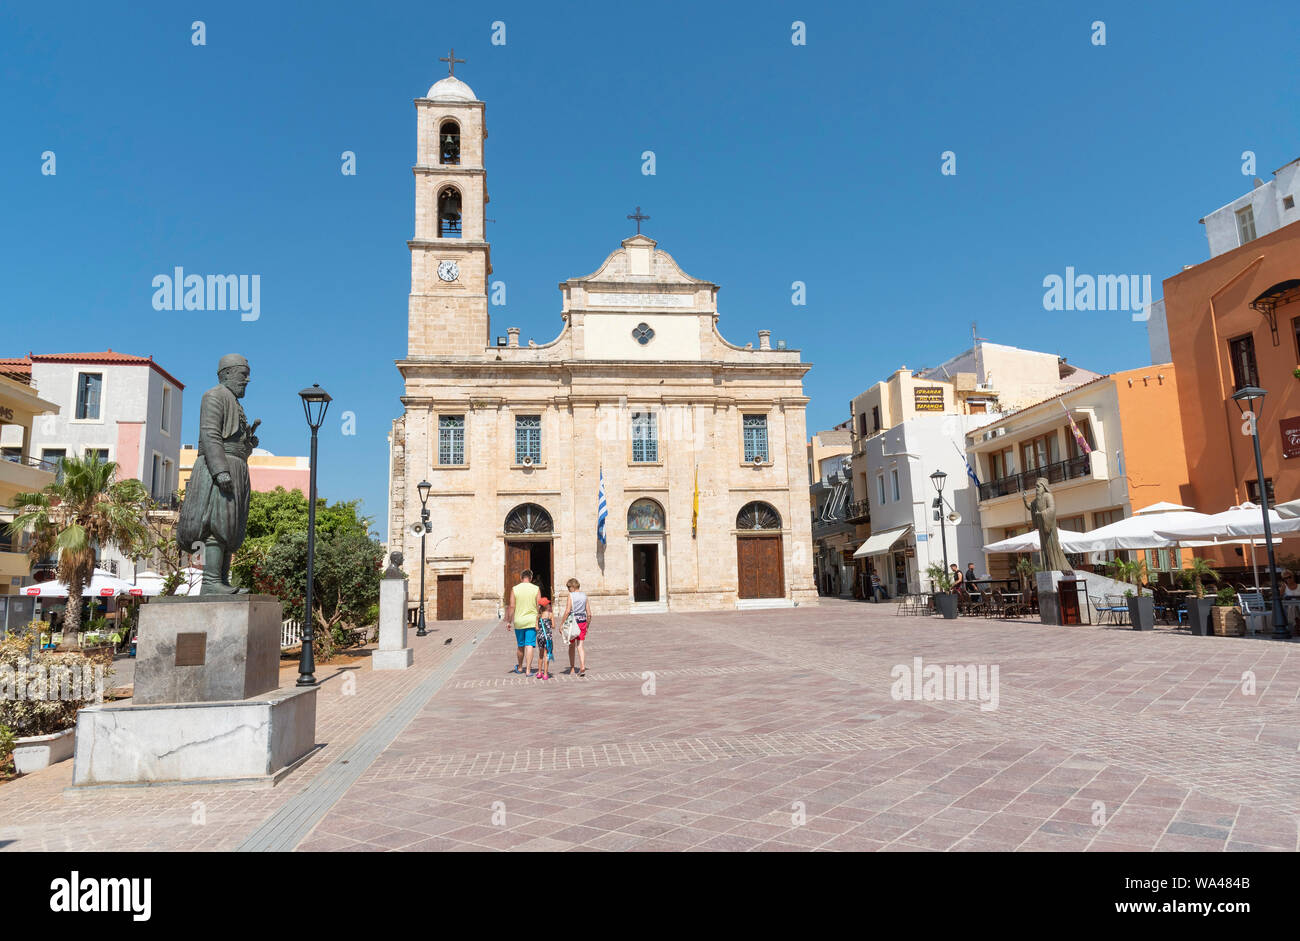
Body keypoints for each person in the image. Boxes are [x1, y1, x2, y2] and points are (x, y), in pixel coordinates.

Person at [503, 568, 540, 675]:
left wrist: (509, 621)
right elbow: (539, 605)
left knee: (520, 645)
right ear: (531, 578)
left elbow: (512, 606)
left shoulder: (515, 589)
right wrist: (539, 618)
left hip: (519, 621)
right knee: (530, 644)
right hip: (532, 621)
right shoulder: (536, 588)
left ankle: (519, 667)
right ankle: (528, 670)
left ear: (521, 577)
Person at [556, 577, 592, 677]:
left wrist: (562, 624)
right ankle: (582, 666)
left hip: (573, 622)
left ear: (572, 586)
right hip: (582, 622)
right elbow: (589, 614)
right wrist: (587, 626)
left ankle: (572, 668)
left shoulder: (571, 596)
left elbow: (567, 611)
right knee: (580, 646)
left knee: (571, 646)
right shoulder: (585, 596)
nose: (568, 589)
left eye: (568, 587)